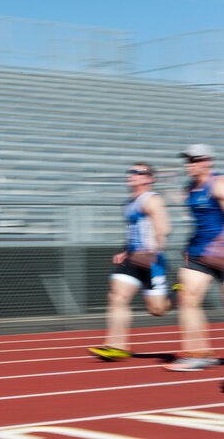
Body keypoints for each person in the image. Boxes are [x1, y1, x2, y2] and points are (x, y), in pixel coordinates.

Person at [89, 162, 173, 361]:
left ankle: (177, 293)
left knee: (157, 309)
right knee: (117, 296)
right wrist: (124, 251)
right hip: (132, 259)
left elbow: (163, 228)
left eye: (137, 172)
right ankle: (116, 346)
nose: (131, 175)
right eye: (130, 171)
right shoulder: (128, 204)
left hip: (152, 261)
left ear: (149, 178)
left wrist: (155, 247)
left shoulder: (152, 200)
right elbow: (132, 233)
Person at [164, 144, 224, 371]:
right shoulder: (190, 187)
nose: (189, 165)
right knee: (187, 298)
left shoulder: (218, 185)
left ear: (208, 161)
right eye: (187, 161)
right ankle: (199, 353)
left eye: (194, 160)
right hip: (200, 254)